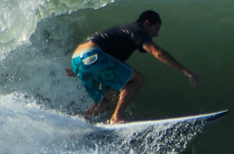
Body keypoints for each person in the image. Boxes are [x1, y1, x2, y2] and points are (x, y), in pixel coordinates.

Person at [68, 10, 199, 124]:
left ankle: (82, 121)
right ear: (146, 23)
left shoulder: (122, 34)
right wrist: (185, 70)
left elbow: (103, 52)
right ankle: (117, 118)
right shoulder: (138, 30)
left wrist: (80, 69)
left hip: (78, 60)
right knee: (137, 80)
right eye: (156, 29)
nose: (156, 35)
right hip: (92, 55)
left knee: (112, 98)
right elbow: (157, 52)